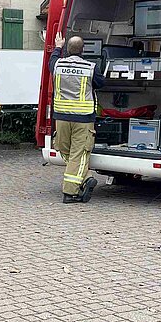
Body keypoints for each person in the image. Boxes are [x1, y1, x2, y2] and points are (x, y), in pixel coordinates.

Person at [49, 31, 105, 203]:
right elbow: (101, 83)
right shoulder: (90, 67)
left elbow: (52, 59)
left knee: (64, 150)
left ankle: (86, 178)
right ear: (83, 50)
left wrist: (57, 47)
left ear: (67, 49)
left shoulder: (57, 64)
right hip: (83, 119)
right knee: (78, 155)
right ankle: (70, 192)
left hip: (61, 117)